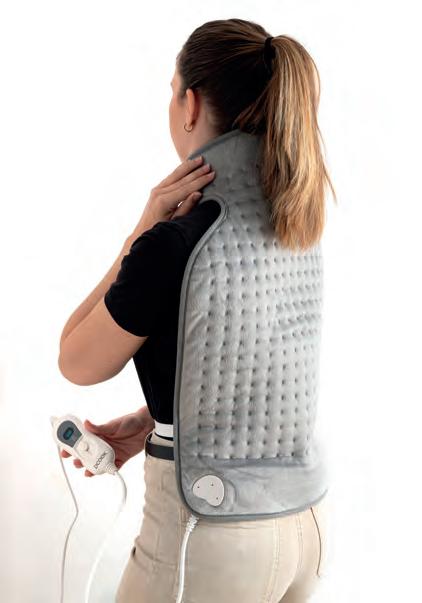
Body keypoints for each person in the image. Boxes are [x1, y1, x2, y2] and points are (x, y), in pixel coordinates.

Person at [59, 18, 336, 603]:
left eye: (171, 91)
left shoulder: (174, 241)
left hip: (207, 539)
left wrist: (142, 228)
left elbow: (76, 360)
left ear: (190, 105)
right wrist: (154, 420)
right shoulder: (296, 222)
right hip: (306, 527)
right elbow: (259, 375)